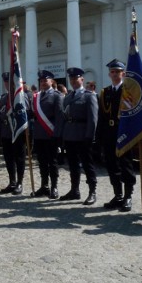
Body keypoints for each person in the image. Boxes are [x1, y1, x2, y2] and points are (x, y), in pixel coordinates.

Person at [98, 59, 136, 210]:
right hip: (109, 134)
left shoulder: (128, 91)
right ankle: (118, 195)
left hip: (124, 134)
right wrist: (99, 138)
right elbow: (102, 116)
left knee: (126, 166)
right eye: (112, 72)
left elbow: (133, 115)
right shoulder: (105, 92)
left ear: (123, 74)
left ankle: (128, 196)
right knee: (111, 166)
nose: (115, 75)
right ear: (109, 74)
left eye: (117, 72)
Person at [59, 67, 98, 202]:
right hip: (70, 135)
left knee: (87, 164)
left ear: (82, 79)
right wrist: (63, 135)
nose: (73, 81)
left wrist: (90, 136)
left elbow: (93, 119)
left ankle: (92, 191)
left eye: (76, 78)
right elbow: (65, 117)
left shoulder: (89, 95)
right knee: (73, 165)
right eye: (71, 79)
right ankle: (74, 190)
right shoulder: (68, 96)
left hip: (83, 135)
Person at [30, 70, 64, 199]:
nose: (43, 83)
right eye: (41, 81)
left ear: (51, 81)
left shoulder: (57, 95)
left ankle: (54, 187)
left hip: (51, 135)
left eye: (45, 80)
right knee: (42, 162)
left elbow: (60, 117)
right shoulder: (37, 96)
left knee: (52, 162)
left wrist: (57, 136)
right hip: (39, 135)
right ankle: (44, 186)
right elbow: (34, 114)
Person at [0, 72, 27, 195]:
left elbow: (26, 114)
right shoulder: (3, 98)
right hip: (6, 133)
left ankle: (19, 182)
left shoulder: (20, 96)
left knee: (19, 158)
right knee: (8, 159)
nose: (7, 84)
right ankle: (12, 181)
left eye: (9, 81)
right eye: (5, 82)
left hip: (18, 132)